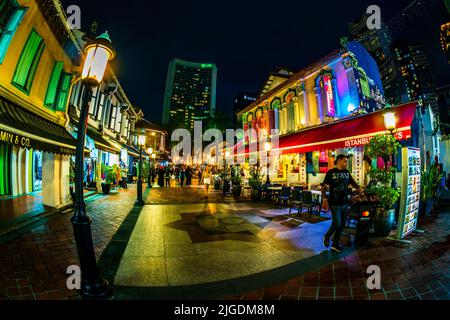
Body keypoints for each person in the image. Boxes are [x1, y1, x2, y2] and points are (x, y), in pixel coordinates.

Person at [321, 154, 361, 253]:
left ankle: (335, 244)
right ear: (339, 161)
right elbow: (324, 186)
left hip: (345, 202)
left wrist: (360, 189)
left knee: (342, 225)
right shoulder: (331, 172)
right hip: (334, 202)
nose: (346, 163)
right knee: (337, 222)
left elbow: (353, 183)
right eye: (345, 161)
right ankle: (327, 235)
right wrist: (324, 198)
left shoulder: (347, 172)